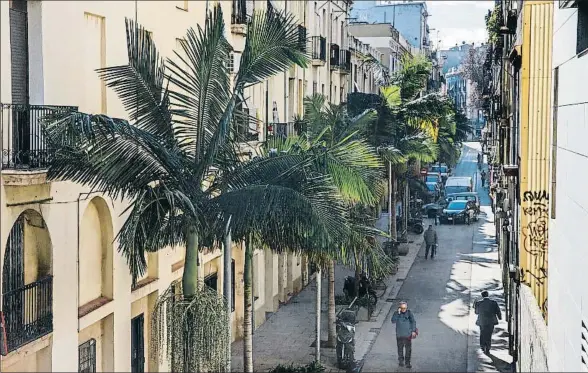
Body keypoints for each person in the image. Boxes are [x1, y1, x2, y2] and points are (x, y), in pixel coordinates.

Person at [391, 301, 417, 368]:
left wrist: (413, 330)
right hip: (399, 335)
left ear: (406, 307)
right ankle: (401, 361)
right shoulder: (396, 313)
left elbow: (413, 322)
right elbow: (393, 321)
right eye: (402, 308)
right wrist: (398, 313)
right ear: (400, 307)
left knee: (408, 350)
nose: (404, 309)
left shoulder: (409, 313)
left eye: (405, 308)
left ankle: (407, 363)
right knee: (400, 349)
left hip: (408, 335)